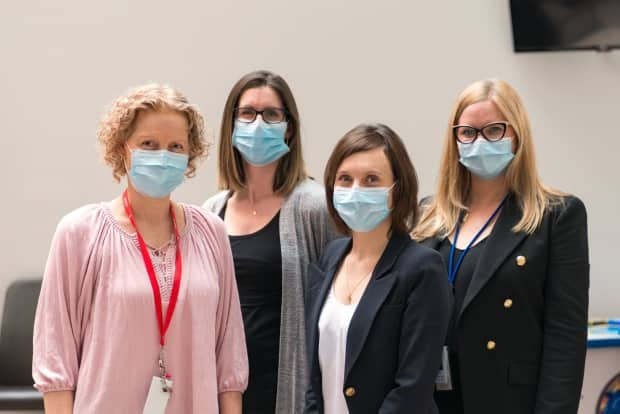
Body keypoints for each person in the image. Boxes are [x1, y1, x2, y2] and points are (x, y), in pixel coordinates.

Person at [32, 84, 248, 413]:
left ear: (191, 156)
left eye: (176, 146)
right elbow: (55, 361)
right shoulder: (79, 233)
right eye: (149, 144)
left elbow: (229, 359)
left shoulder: (211, 232)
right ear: (122, 149)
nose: (163, 156)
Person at [412, 78, 589, 414]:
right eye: (468, 132)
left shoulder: (557, 216)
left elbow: (565, 335)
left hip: (508, 401)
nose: (479, 141)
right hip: (434, 400)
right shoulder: (427, 215)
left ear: (516, 135)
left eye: (494, 130)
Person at [203, 70, 338, 414]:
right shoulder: (211, 212)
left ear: (288, 127)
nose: (258, 123)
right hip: (224, 390)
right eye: (247, 113)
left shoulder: (314, 207)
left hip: (287, 389)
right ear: (231, 125)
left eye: (271, 114)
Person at [304, 123, 452, 414]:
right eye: (345, 179)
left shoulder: (422, 269)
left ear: (398, 189)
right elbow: (315, 380)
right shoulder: (330, 257)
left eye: (371, 179)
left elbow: (413, 387)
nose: (355, 190)